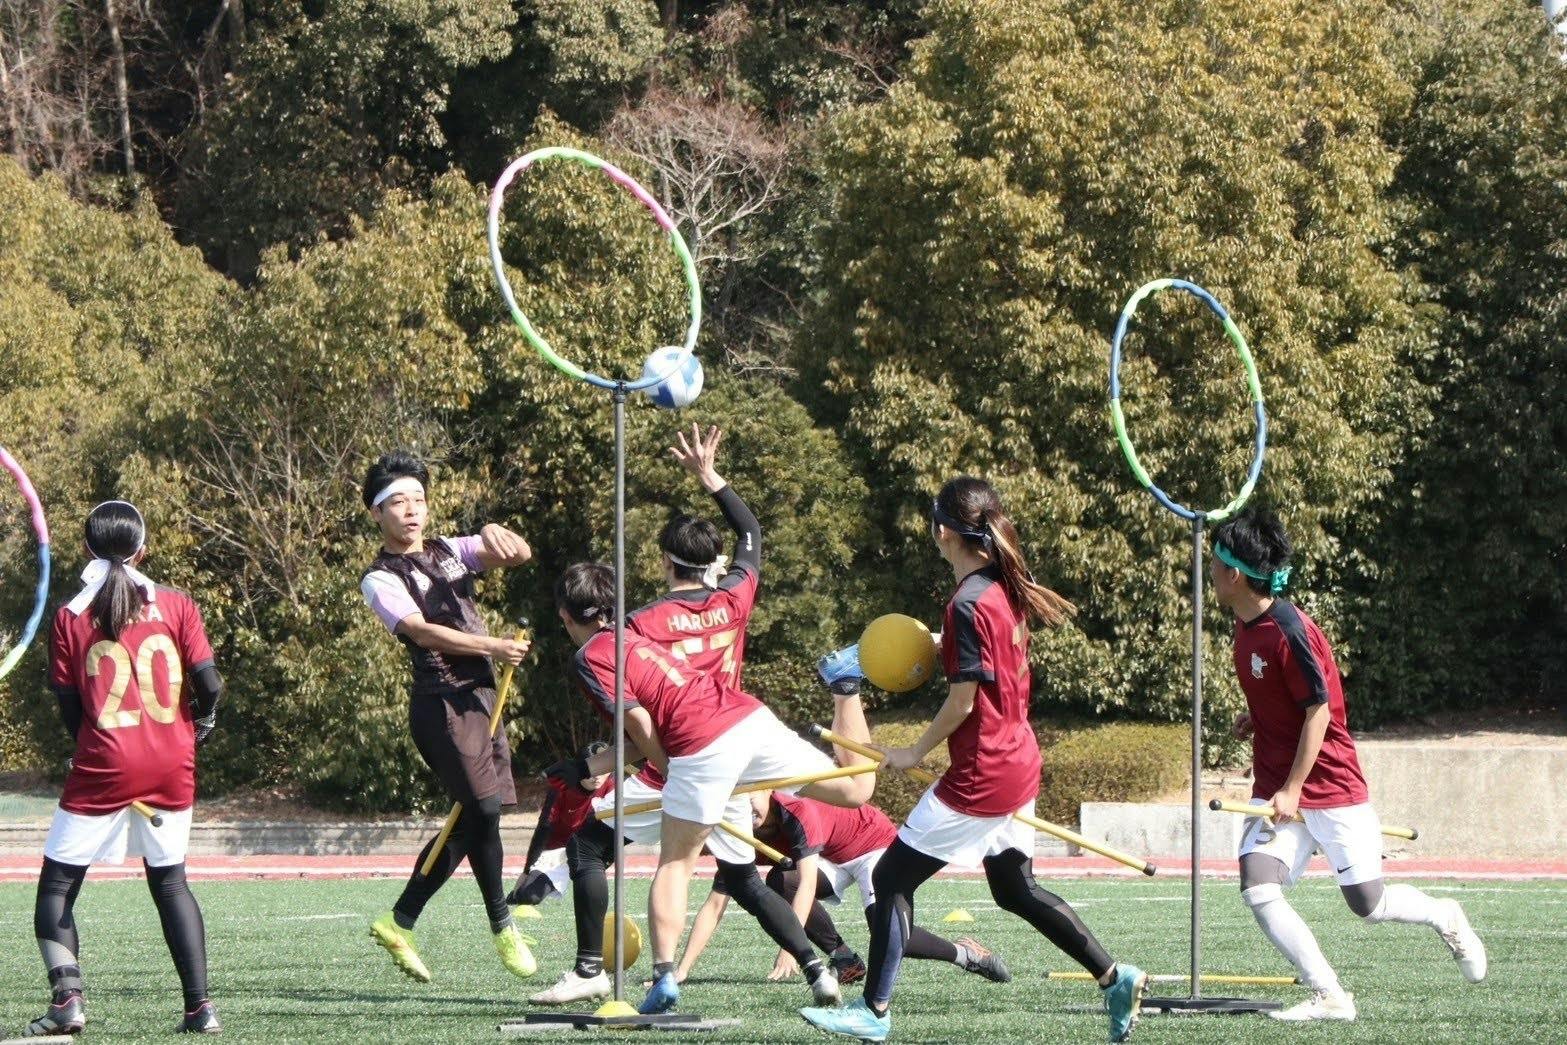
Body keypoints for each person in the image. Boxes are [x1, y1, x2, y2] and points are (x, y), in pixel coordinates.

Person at [531, 424, 877, 1008]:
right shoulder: (734, 598)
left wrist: (609, 765)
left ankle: (632, 973)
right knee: (797, 834)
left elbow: (641, 721)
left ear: (665, 563)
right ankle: (819, 964)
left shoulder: (634, 628)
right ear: (711, 563)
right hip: (747, 728)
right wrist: (711, 476)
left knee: (623, 852)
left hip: (688, 753)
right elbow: (751, 533)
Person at [802, 477, 1146, 1044]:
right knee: (1014, 889)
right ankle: (1115, 978)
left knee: (890, 878)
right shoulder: (1003, 587)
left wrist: (913, 751)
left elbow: (962, 701)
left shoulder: (965, 603)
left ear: (943, 532)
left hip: (982, 774)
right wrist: (934, 645)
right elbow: (986, 655)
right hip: (1019, 760)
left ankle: (874, 1012)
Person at [1209, 508, 1486, 1022]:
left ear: (1234, 575)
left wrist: (1294, 788)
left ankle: (1444, 915)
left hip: (1328, 783)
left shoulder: (1289, 630)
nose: (1208, 571)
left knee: (1368, 904)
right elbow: (1288, 697)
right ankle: (1330, 995)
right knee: (1258, 884)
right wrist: (1258, 717)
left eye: (1214, 562)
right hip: (1277, 783)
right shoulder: (1245, 628)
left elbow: (1319, 711)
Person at [32, 500, 224, 1035]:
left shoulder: (70, 615)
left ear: (86, 548)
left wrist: (91, 749)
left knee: (56, 889)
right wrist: (201, 724)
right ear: (143, 549)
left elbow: (70, 705)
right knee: (171, 883)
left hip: (105, 763)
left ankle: (68, 1000)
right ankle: (200, 1008)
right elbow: (209, 684)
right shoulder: (177, 604)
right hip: (171, 762)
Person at [357, 450, 537, 983]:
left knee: (474, 816)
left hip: (482, 696)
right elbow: (422, 631)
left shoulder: (450, 549)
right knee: (481, 809)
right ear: (377, 513)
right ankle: (502, 925)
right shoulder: (379, 577)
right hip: (441, 703)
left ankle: (399, 920)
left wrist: (498, 533)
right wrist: (492, 645)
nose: (411, 510)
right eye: (398, 502)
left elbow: (519, 554)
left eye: (418, 499)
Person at [676, 790, 1012, 989]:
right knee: (780, 882)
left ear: (767, 788)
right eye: (738, 808)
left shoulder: (796, 810)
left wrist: (790, 947)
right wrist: (682, 971)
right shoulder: (739, 833)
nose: (748, 815)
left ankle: (967, 955)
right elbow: (715, 903)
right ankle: (845, 958)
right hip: (831, 858)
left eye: (751, 803)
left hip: (871, 845)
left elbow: (809, 883)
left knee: (890, 932)